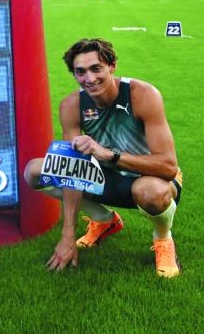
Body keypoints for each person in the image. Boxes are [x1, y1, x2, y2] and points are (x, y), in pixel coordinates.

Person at [23, 37, 183, 277]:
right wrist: (67, 236)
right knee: (35, 171)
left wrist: (109, 154)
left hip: (151, 179)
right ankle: (103, 220)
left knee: (150, 192)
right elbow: (71, 171)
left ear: (112, 66)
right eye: (80, 72)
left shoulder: (143, 95)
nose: (89, 79)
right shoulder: (72, 105)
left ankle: (163, 239)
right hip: (106, 176)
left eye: (96, 68)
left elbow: (168, 167)